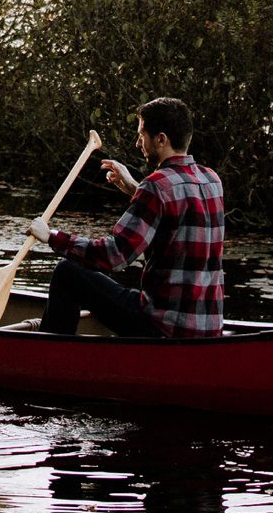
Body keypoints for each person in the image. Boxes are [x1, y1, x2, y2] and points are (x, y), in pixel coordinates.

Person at [33, 98, 223, 341]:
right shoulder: (212, 180)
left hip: (163, 327)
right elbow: (177, 214)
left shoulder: (156, 186)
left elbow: (115, 256)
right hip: (208, 329)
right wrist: (135, 188)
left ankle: (50, 356)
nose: (137, 143)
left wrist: (52, 237)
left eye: (142, 135)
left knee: (67, 272)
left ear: (161, 139)